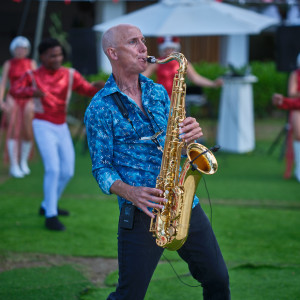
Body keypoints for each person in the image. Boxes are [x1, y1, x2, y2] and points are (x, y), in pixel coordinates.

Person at [84, 24, 230, 300]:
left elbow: (175, 143)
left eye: (143, 41)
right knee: (129, 295)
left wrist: (190, 134)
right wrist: (131, 193)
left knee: (218, 279)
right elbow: (101, 168)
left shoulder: (158, 92)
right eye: (134, 42)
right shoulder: (99, 108)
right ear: (112, 53)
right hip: (144, 211)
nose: (144, 48)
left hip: (183, 202)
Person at [11, 38, 104, 231]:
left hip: (61, 126)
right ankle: (50, 215)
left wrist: (98, 87)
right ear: (42, 56)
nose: (57, 58)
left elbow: (86, 89)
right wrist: (30, 91)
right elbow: (14, 89)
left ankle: (47, 205)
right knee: (53, 169)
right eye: (52, 55)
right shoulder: (32, 74)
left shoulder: (69, 74)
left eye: (59, 54)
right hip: (42, 123)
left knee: (68, 171)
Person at [0, 36, 37, 178]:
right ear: (13, 49)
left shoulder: (31, 63)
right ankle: (14, 165)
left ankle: (23, 162)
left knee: (27, 131)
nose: (20, 50)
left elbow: (35, 83)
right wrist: (1, 101)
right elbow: (3, 83)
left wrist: (35, 101)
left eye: (23, 48)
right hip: (13, 98)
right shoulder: (9, 64)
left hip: (27, 98)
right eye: (18, 48)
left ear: (27, 50)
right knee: (13, 129)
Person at [142, 36, 223, 98]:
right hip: (160, 97)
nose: (169, 51)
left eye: (172, 49)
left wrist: (213, 84)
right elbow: (143, 77)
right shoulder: (157, 62)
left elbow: (195, 78)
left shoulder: (182, 62)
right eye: (167, 49)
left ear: (176, 49)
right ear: (162, 50)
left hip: (177, 99)